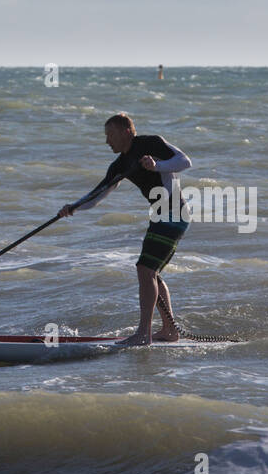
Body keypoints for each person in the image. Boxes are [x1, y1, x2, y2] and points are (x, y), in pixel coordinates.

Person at [59, 113, 192, 346]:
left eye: (110, 135)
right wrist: (74, 207)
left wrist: (156, 165)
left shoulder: (151, 143)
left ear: (126, 132)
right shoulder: (120, 164)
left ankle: (143, 334)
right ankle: (170, 331)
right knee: (150, 272)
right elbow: (98, 194)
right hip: (160, 214)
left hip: (174, 212)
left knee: (145, 269)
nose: (107, 141)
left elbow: (184, 162)